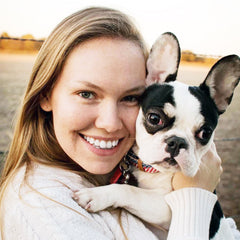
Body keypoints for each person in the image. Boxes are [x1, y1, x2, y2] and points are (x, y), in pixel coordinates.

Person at [0, 6, 238, 240]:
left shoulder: (115, 165)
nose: (110, 123)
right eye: (86, 93)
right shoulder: (42, 212)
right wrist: (195, 197)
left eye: (130, 98)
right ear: (45, 94)